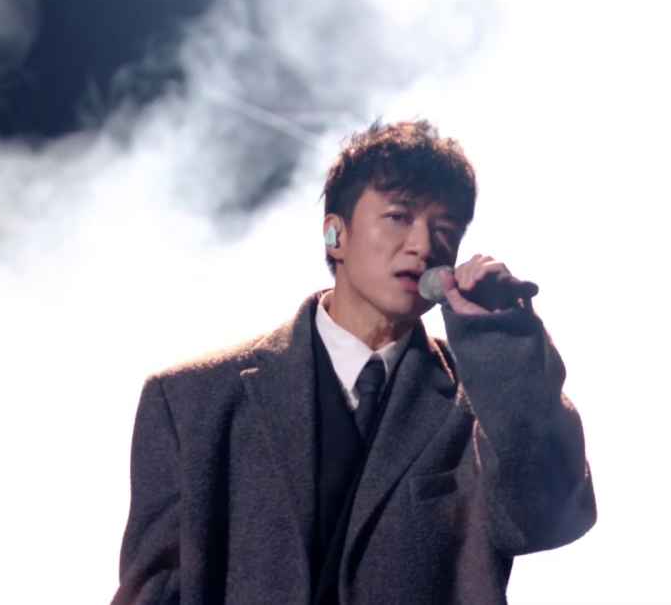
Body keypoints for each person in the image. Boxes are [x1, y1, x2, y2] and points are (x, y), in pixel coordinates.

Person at [111, 119, 596, 605]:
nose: (424, 245)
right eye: (399, 216)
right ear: (334, 234)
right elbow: (153, 591)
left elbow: (551, 519)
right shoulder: (192, 401)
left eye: (444, 229)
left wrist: (500, 337)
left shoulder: (479, 407)